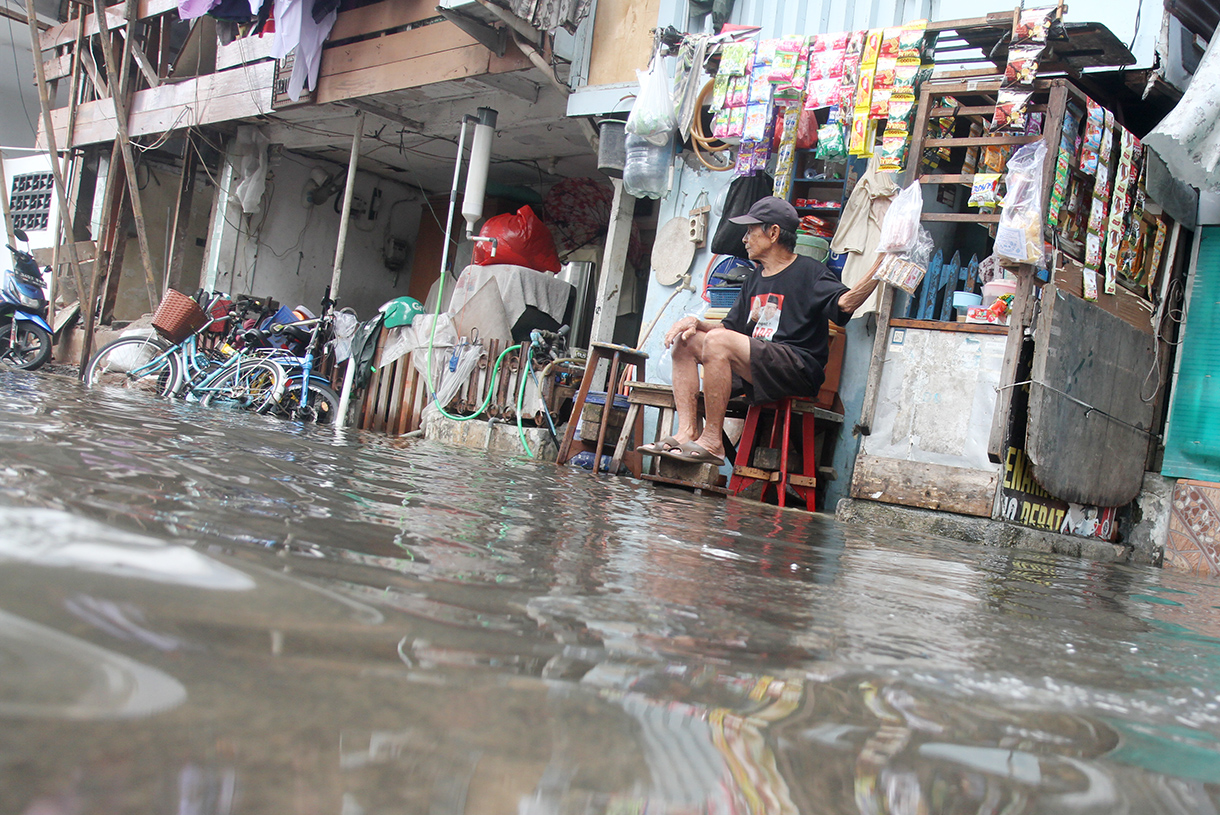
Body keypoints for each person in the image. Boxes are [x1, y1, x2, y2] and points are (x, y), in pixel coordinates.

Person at [639, 196, 881, 465]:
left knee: (717, 341)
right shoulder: (755, 278)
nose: (744, 239)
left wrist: (880, 266)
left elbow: (845, 304)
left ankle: (713, 441)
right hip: (759, 363)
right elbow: (729, 329)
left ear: (774, 233)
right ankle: (687, 432)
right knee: (687, 341)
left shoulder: (810, 271)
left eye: (750, 231)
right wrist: (696, 324)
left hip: (795, 367)